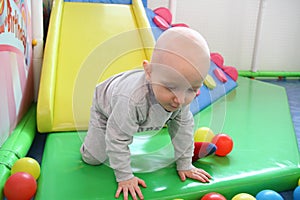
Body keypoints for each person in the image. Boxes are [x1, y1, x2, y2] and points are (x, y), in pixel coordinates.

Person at [80, 27, 212, 200]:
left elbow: (183, 131)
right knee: (93, 158)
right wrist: (125, 177)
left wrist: (185, 164)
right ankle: (90, 140)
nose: (180, 100)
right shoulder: (131, 101)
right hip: (106, 106)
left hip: (134, 102)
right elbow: (117, 139)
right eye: (170, 87)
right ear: (149, 72)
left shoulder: (179, 94)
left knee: (175, 118)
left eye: (192, 89)